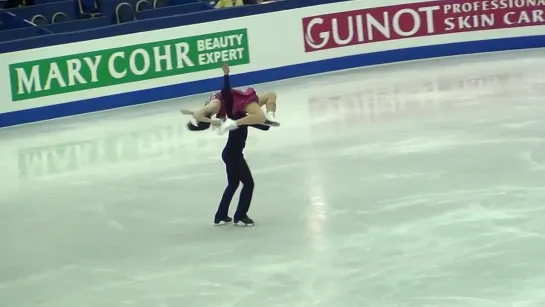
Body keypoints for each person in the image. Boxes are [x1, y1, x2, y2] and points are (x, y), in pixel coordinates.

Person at [182, 64, 272, 226]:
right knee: (248, 184)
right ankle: (240, 217)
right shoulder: (234, 117)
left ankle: (220, 216)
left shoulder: (239, 118)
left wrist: (267, 122)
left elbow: (262, 125)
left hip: (229, 154)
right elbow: (226, 93)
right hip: (234, 155)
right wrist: (226, 75)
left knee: (233, 183)